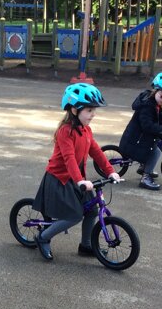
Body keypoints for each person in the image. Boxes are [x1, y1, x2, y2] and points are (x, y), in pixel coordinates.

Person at [31, 83, 121, 261]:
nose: (93, 114)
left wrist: (110, 171)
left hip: (77, 179)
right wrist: (80, 181)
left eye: (94, 110)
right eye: (89, 110)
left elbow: (96, 152)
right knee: (74, 215)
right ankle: (42, 237)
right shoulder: (65, 131)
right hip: (60, 179)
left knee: (92, 211)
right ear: (74, 110)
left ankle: (86, 245)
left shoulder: (86, 130)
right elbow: (69, 159)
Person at [119, 72, 162, 191]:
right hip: (134, 141)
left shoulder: (155, 103)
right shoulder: (147, 106)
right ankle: (145, 178)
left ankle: (144, 167)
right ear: (155, 91)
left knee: (159, 144)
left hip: (140, 139)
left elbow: (158, 117)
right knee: (156, 151)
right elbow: (147, 125)